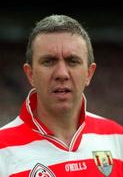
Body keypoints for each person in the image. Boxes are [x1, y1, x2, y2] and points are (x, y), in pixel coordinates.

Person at [0, 14, 123, 177]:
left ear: (89, 73)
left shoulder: (117, 138)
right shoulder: (3, 150)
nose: (62, 74)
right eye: (49, 61)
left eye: (72, 61)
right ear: (30, 74)